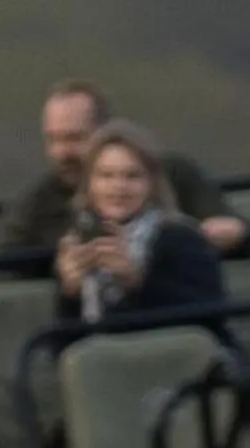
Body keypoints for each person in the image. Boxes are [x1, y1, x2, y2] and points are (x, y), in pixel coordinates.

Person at [0, 79, 250, 259]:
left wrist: (227, 233)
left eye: (74, 139)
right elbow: (8, 263)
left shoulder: (173, 173)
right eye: (52, 139)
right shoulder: (37, 205)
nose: (61, 153)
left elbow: (235, 230)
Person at [52, 120, 225, 323]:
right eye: (106, 176)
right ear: (89, 184)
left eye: (132, 176)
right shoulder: (77, 241)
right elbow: (66, 337)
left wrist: (137, 280)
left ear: (151, 183)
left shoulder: (182, 237)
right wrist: (70, 293)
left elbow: (209, 312)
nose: (118, 187)